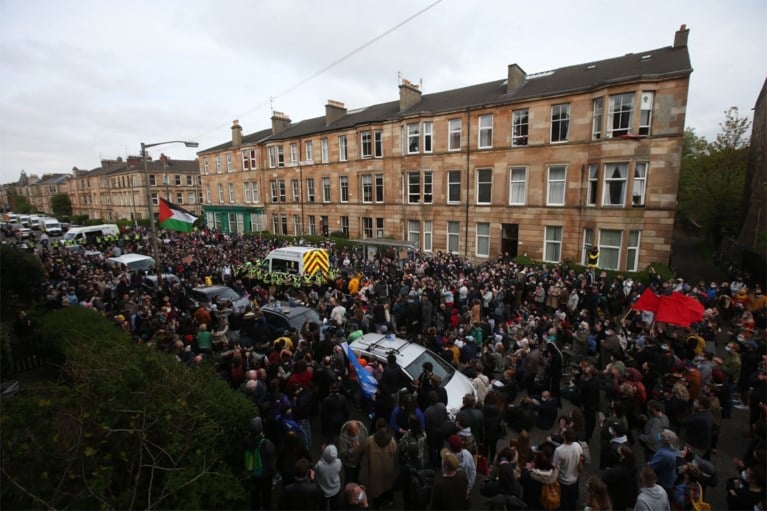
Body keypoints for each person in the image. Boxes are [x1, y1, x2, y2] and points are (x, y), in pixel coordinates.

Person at [363, 418, 397, 509]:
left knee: (376, 488)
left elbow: (366, 452)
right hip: (388, 468)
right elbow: (394, 452)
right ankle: (388, 501)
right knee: (388, 484)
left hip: (375, 470)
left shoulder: (370, 440)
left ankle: (377, 506)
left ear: (376, 427)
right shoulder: (392, 440)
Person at [244, 417, 276, 511]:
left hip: (253, 471)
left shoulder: (246, 441)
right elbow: (271, 463)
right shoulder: (268, 444)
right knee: (267, 495)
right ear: (261, 428)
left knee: (254, 494)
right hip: (266, 474)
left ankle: (255, 507)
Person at [552, 427, 583, 510]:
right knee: (572, 501)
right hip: (575, 479)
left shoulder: (559, 451)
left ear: (564, 437)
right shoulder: (577, 446)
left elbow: (555, 466)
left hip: (563, 481)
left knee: (562, 501)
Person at [649, 429, 680, 497]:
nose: (659, 435)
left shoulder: (663, 454)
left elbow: (652, 467)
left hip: (663, 482)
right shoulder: (676, 448)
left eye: (661, 436)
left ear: (666, 441)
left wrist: (648, 464)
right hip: (671, 478)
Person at [338, 420, 368, 484]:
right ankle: (348, 489)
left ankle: (356, 481)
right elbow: (343, 454)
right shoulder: (343, 438)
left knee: (357, 473)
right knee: (349, 479)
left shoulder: (362, 427)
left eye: (357, 431)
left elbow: (366, 435)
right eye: (353, 433)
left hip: (359, 459)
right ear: (349, 430)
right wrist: (353, 449)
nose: (355, 434)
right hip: (349, 464)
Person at [314, 444, 342, 510]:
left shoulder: (320, 465)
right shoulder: (338, 462)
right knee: (334, 506)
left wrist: (323, 454)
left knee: (322, 506)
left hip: (323, 490)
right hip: (335, 489)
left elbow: (316, 469)